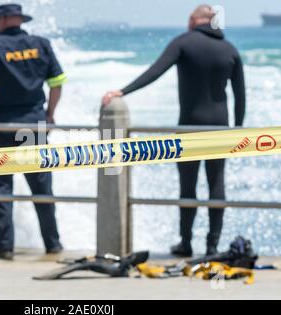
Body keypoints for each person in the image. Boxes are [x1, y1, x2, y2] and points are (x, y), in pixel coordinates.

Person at [102, 4, 246, 257]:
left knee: (188, 186)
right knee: (216, 183)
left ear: (194, 20)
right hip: (221, 127)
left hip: (190, 126)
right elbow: (240, 96)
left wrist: (122, 91)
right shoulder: (230, 49)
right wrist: (238, 129)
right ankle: (212, 246)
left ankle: (186, 243)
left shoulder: (184, 43)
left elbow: (155, 72)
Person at [0, 3, 66, 260]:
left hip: (1, 126)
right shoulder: (41, 44)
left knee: (2, 188)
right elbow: (57, 83)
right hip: (33, 125)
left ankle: (4, 246)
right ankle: (53, 243)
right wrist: (49, 114)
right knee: (41, 187)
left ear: (2, 20)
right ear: (19, 20)